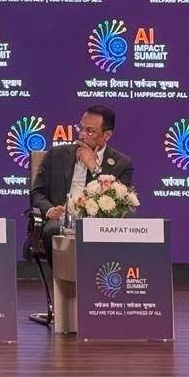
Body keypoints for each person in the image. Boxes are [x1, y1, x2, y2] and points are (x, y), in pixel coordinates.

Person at [30, 104, 135, 263]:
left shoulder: (122, 164)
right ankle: (63, 276)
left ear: (107, 135)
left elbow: (117, 204)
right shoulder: (57, 154)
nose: (82, 135)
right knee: (53, 230)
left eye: (90, 131)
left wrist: (94, 167)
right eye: (81, 128)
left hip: (99, 225)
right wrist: (50, 210)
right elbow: (37, 193)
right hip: (62, 221)